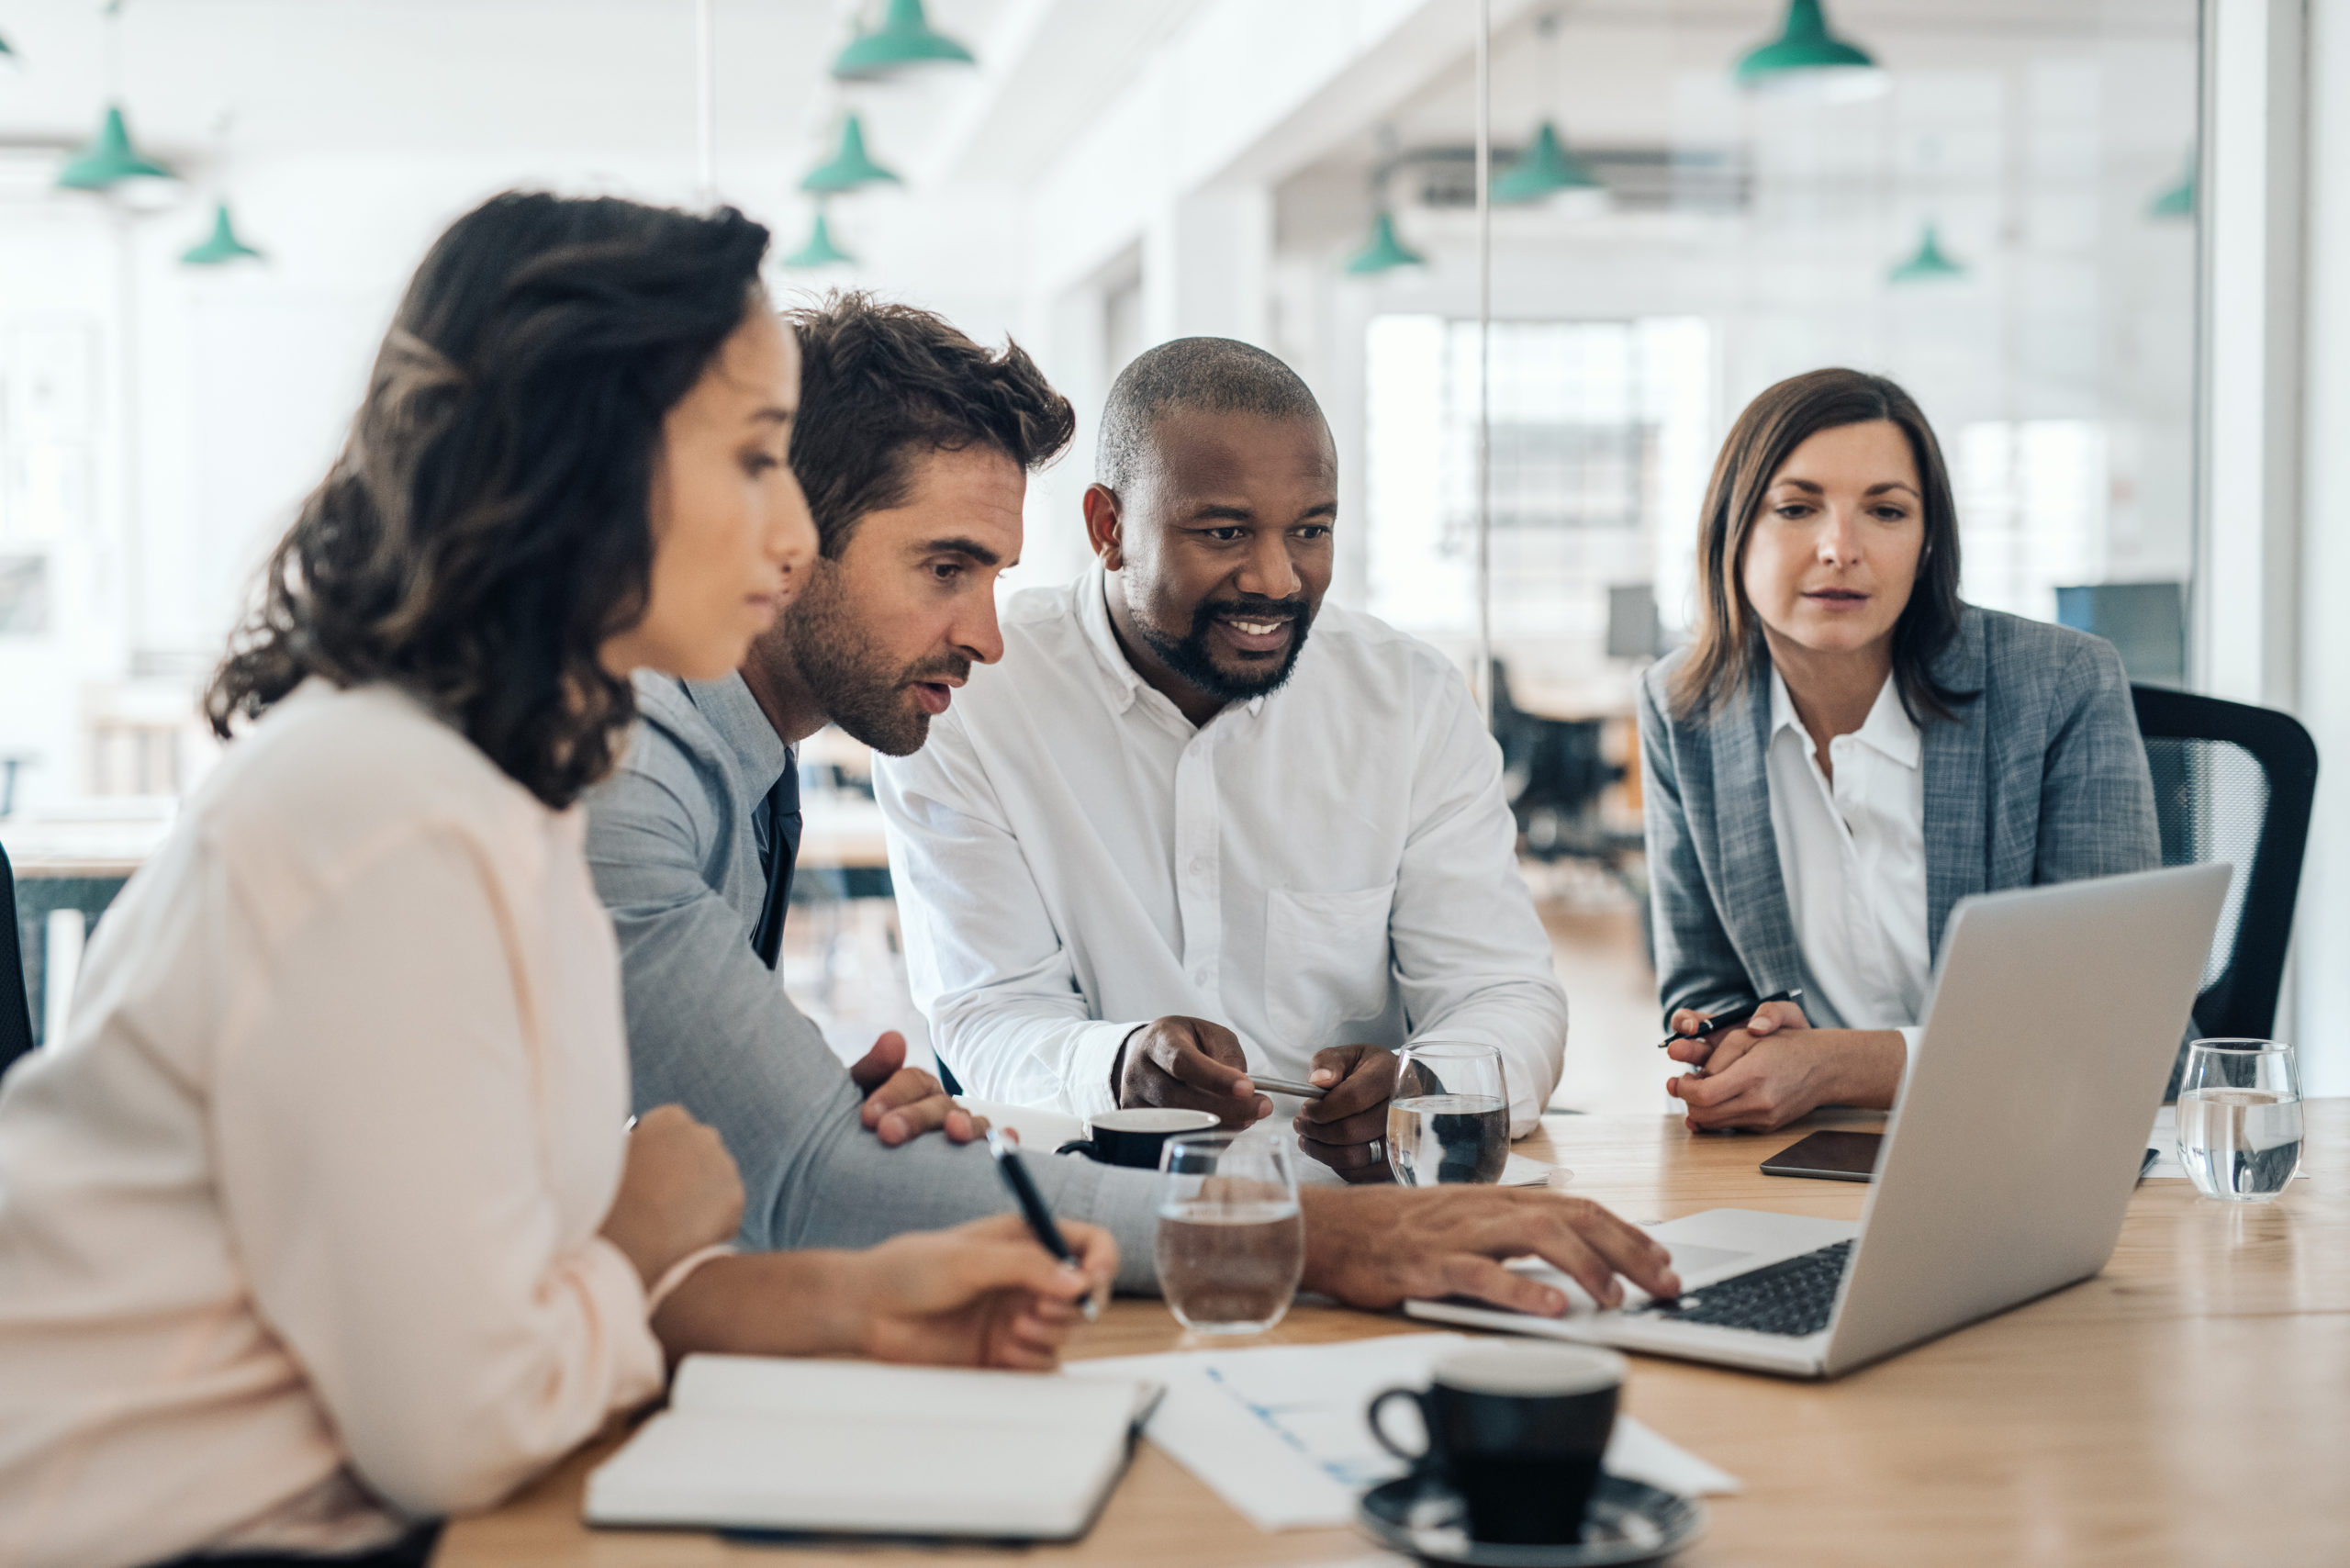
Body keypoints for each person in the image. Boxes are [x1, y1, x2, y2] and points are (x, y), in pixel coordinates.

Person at [0, 195, 1113, 1568]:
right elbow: (459, 1418)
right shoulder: (387, 812)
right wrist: (642, 1231)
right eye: (757, 460)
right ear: (589, 467)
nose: (791, 534)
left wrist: (858, 1302)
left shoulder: (497, 795)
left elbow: (499, 1289)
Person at [589, 297, 1682, 1311]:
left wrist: (830, 1122)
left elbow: (745, 1159)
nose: (986, 634)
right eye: (945, 569)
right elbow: (814, 1175)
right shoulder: (635, 778)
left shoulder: (739, 760)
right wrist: (1314, 1237)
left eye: (1310, 529)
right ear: (781, 536)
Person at [874, 336, 1570, 1181]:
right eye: (1225, 531)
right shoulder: (977, 692)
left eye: (1311, 530)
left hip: (1362, 1207)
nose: (1277, 579)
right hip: (1102, 1206)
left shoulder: (1410, 700)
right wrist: (1117, 1065)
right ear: (1109, 528)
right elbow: (988, 1015)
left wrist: (1425, 1088)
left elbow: (1504, 994)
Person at [1639, 368, 2161, 1134]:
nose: (1839, 548)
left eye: (1886, 511)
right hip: (1810, 1149)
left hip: (2038, 1137)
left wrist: (1838, 1064)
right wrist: (1730, 1039)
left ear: (1925, 545)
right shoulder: (1683, 708)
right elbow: (1706, 983)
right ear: (1732, 531)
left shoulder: (2059, 686)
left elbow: (2111, 1020)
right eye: (1796, 507)